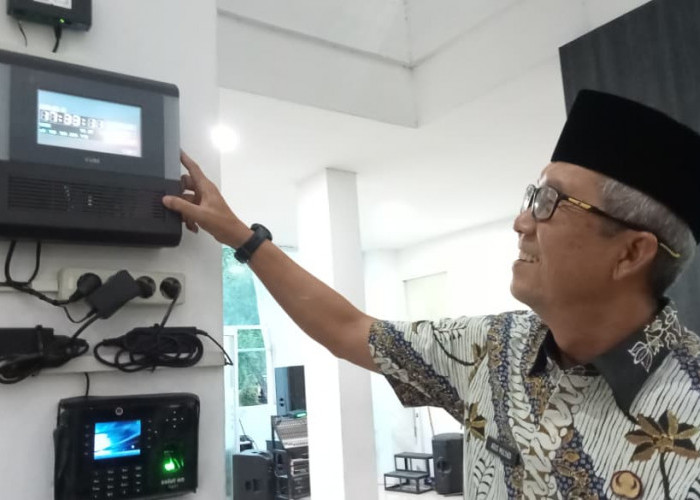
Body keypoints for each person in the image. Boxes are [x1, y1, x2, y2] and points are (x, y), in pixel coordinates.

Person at [163, 90, 700, 499]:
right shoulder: (493, 348)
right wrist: (241, 236)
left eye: (550, 203)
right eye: (531, 196)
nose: (521, 222)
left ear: (631, 253)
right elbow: (348, 329)